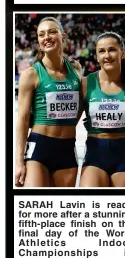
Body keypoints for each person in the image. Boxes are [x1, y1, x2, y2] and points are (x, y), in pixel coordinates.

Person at [15, 16, 82, 188]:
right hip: (40, 147)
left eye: (52, 32)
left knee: (62, 208)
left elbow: (79, 106)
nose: (47, 37)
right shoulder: (31, 74)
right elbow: (22, 120)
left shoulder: (76, 69)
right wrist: (19, 162)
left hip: (67, 147)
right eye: (41, 34)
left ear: (63, 37)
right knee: (37, 205)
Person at [80, 32, 125, 188]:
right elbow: (68, 122)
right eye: (101, 51)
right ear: (96, 56)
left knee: (121, 208)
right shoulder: (85, 84)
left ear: (122, 52)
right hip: (94, 156)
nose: (107, 55)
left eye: (112, 49)